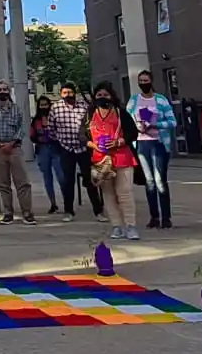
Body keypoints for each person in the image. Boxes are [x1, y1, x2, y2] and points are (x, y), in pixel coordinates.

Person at [86, 82, 140, 240]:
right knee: (108, 194)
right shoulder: (90, 114)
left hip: (122, 156)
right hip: (100, 159)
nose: (102, 98)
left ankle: (131, 225)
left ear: (112, 96)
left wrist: (119, 142)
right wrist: (93, 144)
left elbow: (133, 133)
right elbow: (82, 136)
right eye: (99, 95)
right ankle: (116, 226)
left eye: (105, 95)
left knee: (125, 193)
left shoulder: (120, 112)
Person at [127, 69, 176, 229]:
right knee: (149, 182)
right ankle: (154, 216)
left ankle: (166, 217)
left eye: (146, 80)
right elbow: (128, 121)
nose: (143, 83)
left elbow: (172, 121)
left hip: (159, 142)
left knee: (160, 180)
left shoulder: (161, 100)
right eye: (140, 81)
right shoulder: (134, 101)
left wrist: (155, 124)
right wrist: (137, 126)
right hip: (142, 143)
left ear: (151, 81)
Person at [48, 83, 103, 222]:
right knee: (68, 181)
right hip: (66, 149)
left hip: (84, 148)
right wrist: (60, 141)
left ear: (74, 92)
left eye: (70, 92)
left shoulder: (83, 106)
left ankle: (98, 211)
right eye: (65, 93)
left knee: (90, 180)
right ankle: (68, 211)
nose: (68, 95)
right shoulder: (55, 108)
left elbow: (90, 125)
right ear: (61, 94)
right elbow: (51, 128)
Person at [0, 80, 35, 226]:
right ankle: (8, 213)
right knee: (3, 183)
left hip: (15, 149)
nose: (2, 92)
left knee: (22, 183)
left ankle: (27, 213)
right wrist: (0, 144)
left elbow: (22, 128)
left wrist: (11, 143)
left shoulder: (17, 109)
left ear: (9, 91)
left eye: (4, 89)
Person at [30, 95, 64, 214]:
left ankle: (66, 201)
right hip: (42, 149)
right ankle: (53, 203)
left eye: (46, 104)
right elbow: (31, 135)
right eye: (41, 104)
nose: (44, 107)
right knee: (47, 177)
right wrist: (40, 138)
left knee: (61, 176)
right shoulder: (36, 121)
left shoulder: (55, 118)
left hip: (56, 148)